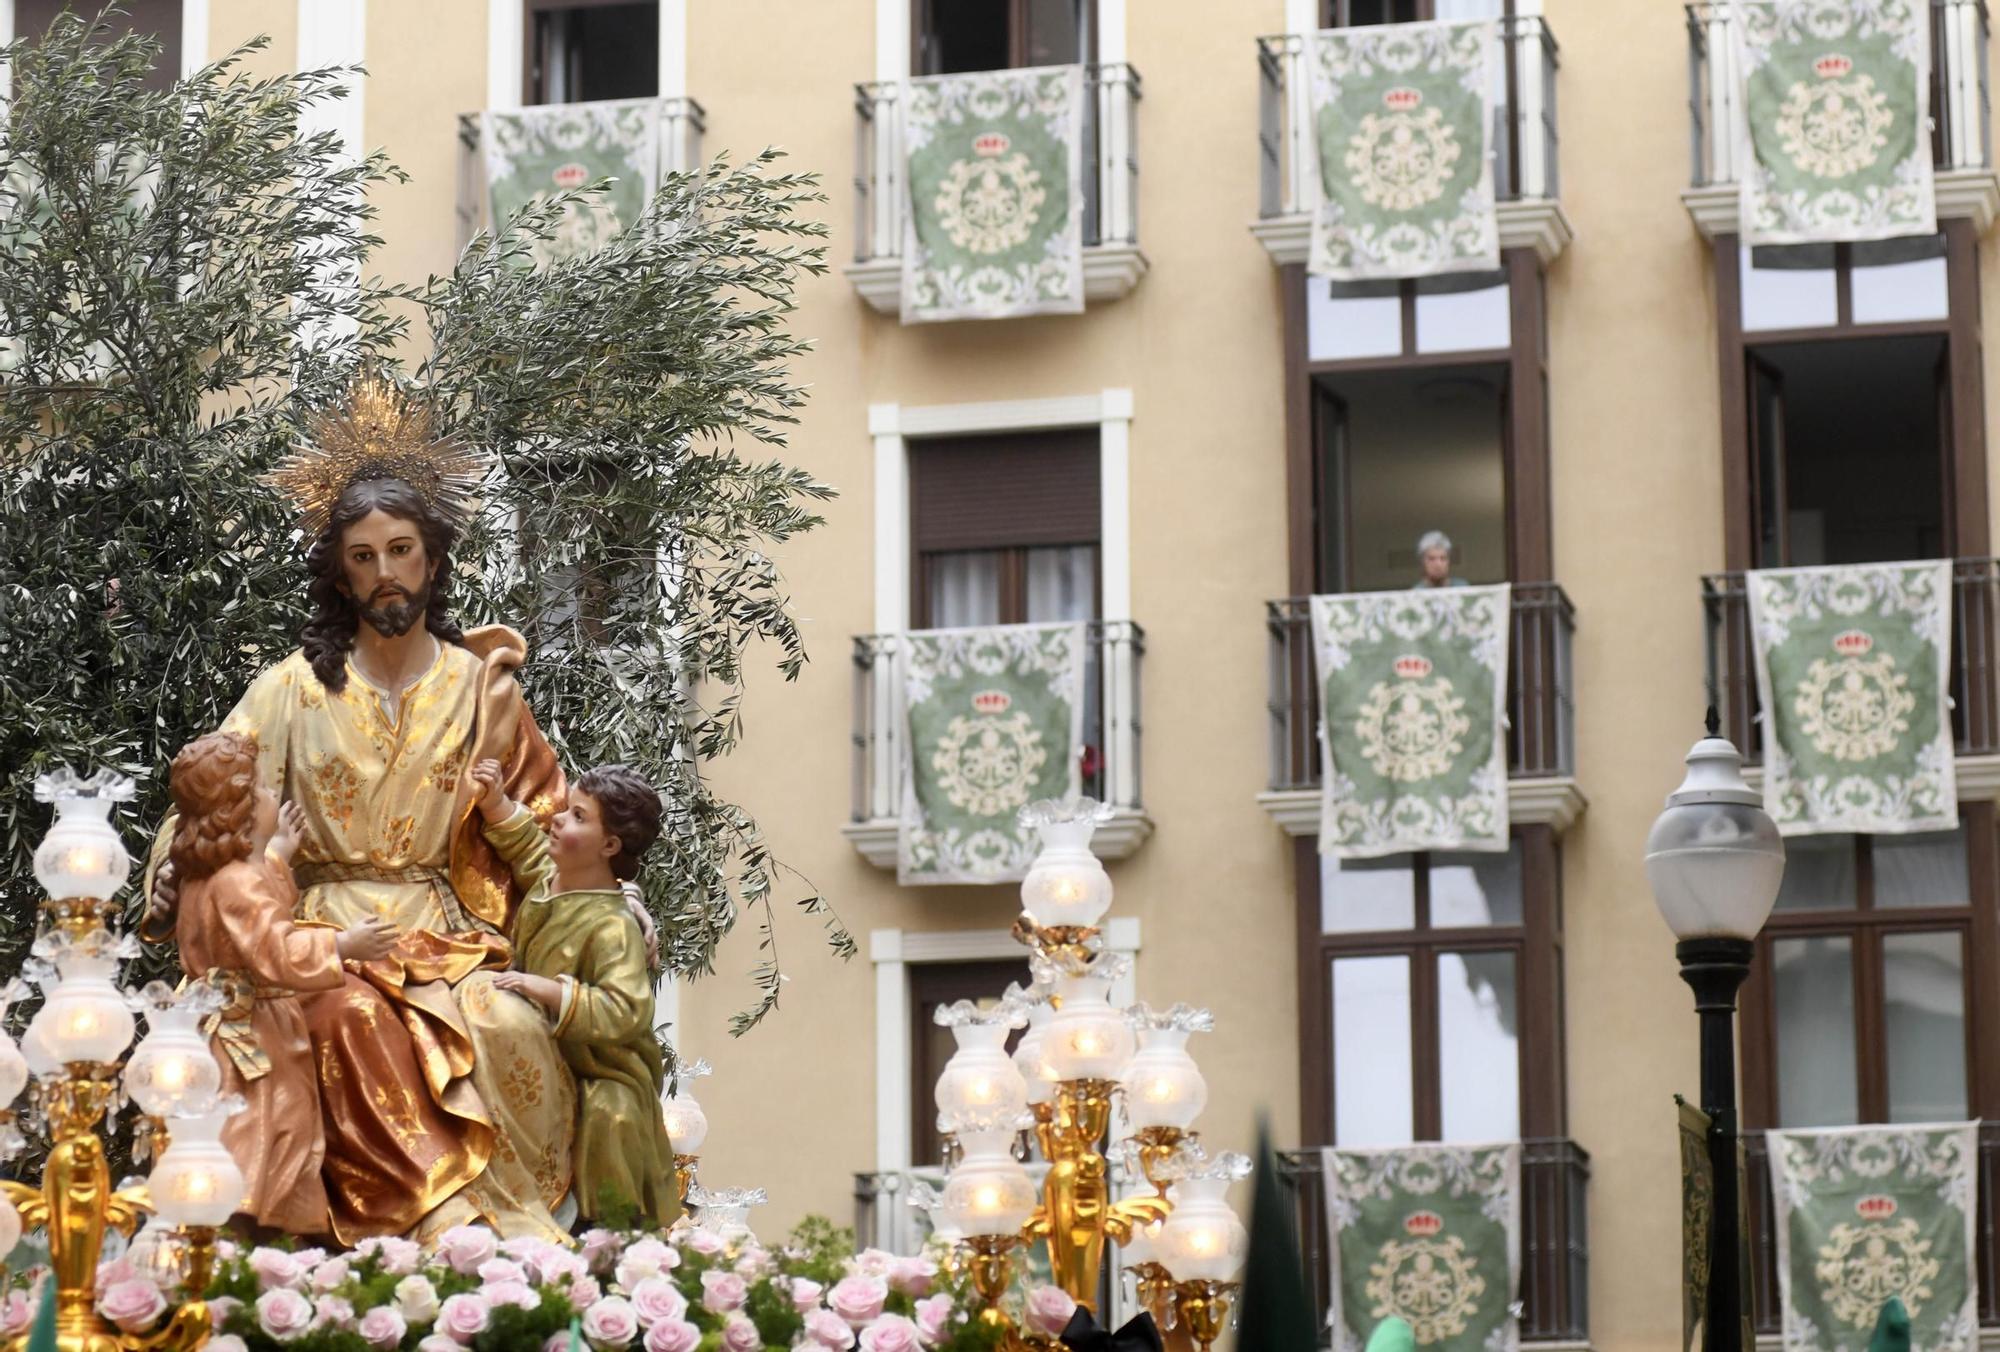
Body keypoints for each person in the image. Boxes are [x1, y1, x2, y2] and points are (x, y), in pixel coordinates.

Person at [145, 375, 576, 1241]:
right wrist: (172, 869)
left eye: (403, 550)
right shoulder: (291, 691)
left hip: (445, 929)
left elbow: (551, 821)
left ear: (434, 559)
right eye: (365, 557)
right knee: (349, 1014)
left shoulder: (482, 692)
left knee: (503, 1019)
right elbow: (209, 790)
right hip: (321, 927)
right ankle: (430, 1224)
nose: (387, 573)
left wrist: (600, 895)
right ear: (340, 577)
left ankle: (507, 1224)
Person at [164, 730, 397, 1237]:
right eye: (265, 791)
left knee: (229, 1125)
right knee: (273, 1128)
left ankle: (232, 1223)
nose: (274, 797)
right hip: (259, 1031)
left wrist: (277, 857)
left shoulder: (206, 874)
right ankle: (257, 1230)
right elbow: (274, 950)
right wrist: (342, 945)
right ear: (240, 810)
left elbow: (245, 916)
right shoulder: (237, 882)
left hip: (216, 1026)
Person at [470, 757, 680, 1229]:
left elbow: (626, 1010)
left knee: (611, 1118)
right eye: (568, 809)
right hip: (543, 1050)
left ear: (609, 845)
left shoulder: (613, 927)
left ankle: (611, 1241)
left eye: (578, 816)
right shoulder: (552, 880)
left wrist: (547, 990)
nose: (558, 818)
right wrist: (497, 802)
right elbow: (526, 850)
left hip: (602, 1067)